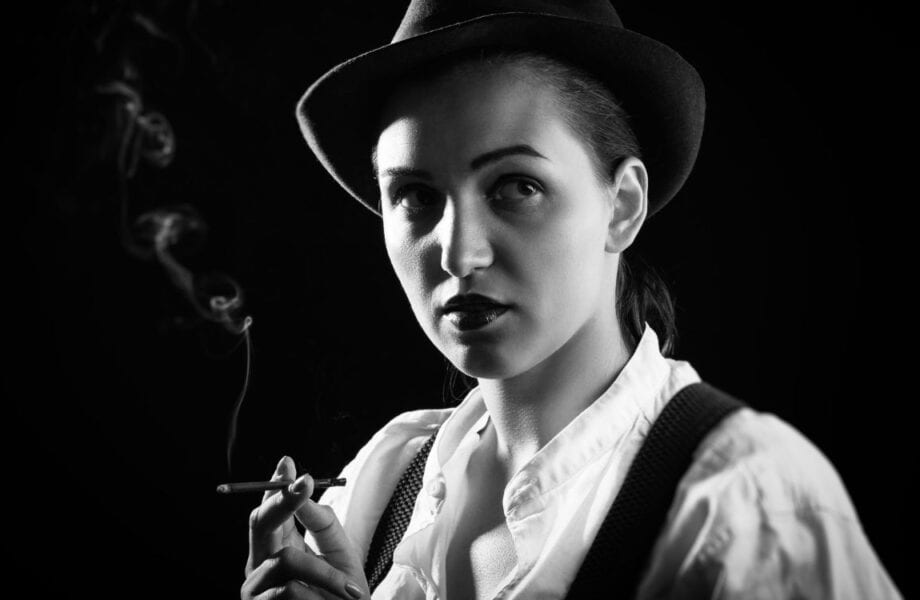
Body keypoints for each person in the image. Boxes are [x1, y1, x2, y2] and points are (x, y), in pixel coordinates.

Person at [240, 1, 902, 598]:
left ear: (623, 206)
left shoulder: (745, 502)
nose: (459, 252)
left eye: (516, 186)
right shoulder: (382, 484)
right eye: (414, 196)